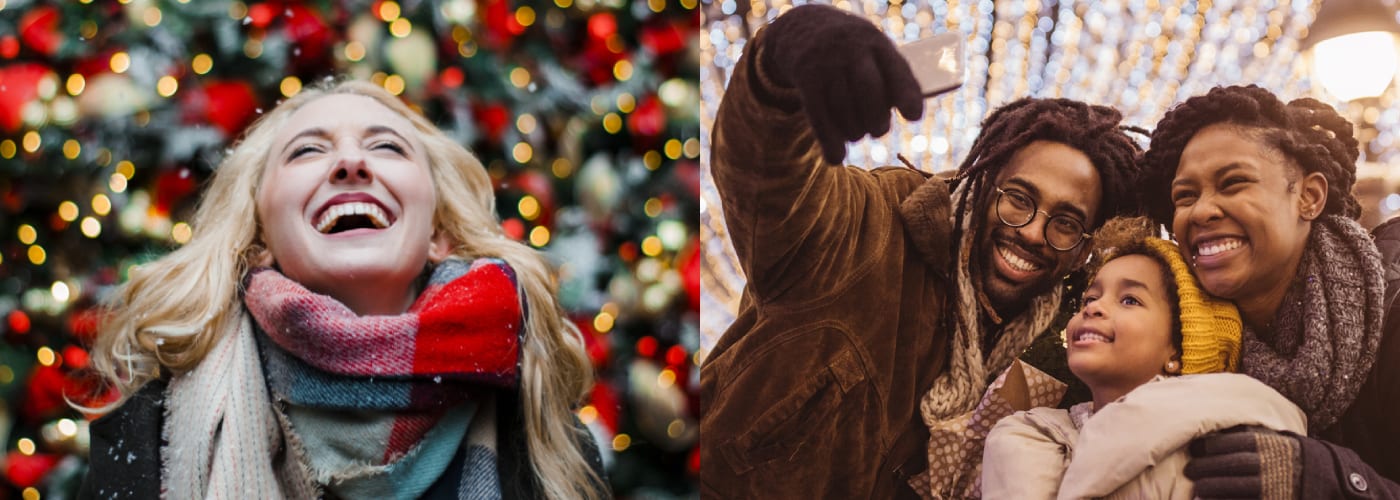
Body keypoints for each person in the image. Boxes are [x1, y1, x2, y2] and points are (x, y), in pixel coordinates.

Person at [77, 80, 608, 499]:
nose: (351, 163)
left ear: (439, 234)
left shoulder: (542, 434)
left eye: (386, 146)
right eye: (307, 151)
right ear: (258, 237)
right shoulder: (148, 436)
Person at [699, 5, 1142, 497]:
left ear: (1083, 248)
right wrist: (779, 68)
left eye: (1065, 222)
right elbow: (765, 179)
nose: (1034, 233)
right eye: (1019, 198)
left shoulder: (1066, 344)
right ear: (980, 184)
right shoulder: (871, 225)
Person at [1141, 84, 1400, 498]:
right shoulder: (1185, 342)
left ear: (1309, 197)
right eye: (1185, 196)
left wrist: (1328, 479)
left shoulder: (1392, 312)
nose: (1203, 210)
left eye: (1233, 183)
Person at [982, 216, 1306, 499]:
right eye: (1090, 298)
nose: (1093, 307)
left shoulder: (1221, 448)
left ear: (1179, 349)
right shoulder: (1031, 434)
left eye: (1130, 300)